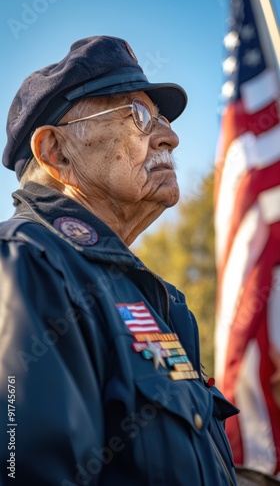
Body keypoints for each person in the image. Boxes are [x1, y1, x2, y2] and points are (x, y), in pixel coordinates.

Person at [0, 35, 238, 485]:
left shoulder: (160, 299)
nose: (170, 136)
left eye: (162, 118)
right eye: (140, 116)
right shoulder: (27, 264)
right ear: (56, 151)